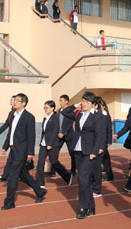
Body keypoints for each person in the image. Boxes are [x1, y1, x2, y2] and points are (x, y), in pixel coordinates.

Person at [61, 91, 106, 219]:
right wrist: (75, 105)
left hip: (89, 152)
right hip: (78, 150)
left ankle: (83, 207)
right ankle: (90, 205)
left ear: (93, 104)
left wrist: (94, 151)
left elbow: (99, 135)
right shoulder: (79, 114)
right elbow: (64, 112)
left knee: (82, 178)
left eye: (87, 102)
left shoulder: (97, 117)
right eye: (83, 101)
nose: (84, 104)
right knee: (83, 180)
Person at [0, 93, 46, 210]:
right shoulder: (12, 115)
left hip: (21, 151)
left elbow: (31, 136)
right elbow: (10, 133)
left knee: (12, 176)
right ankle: (40, 191)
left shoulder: (29, 117)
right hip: (13, 150)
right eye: (14, 100)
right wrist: (5, 147)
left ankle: (9, 202)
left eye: (17, 101)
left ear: (23, 103)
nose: (14, 102)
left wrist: (30, 152)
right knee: (22, 174)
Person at [36, 100, 71, 188]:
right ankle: (40, 182)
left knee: (54, 162)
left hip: (52, 144)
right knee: (40, 163)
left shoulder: (55, 118)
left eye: (47, 107)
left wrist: (50, 144)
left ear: (52, 108)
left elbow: (54, 131)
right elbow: (44, 132)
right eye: (44, 108)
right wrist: (42, 142)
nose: (45, 109)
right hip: (43, 144)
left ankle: (67, 176)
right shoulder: (45, 118)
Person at [0, 95, 17, 182]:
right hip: (11, 139)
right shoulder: (11, 113)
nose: (11, 101)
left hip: (18, 141)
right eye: (11, 100)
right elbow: (7, 124)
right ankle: (5, 176)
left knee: (15, 160)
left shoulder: (18, 114)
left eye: (13, 100)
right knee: (11, 159)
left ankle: (7, 175)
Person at [92, 97, 112, 196]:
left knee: (104, 160)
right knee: (104, 159)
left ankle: (109, 176)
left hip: (103, 142)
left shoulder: (105, 115)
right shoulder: (95, 114)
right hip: (98, 142)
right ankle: (108, 175)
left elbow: (108, 129)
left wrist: (108, 141)